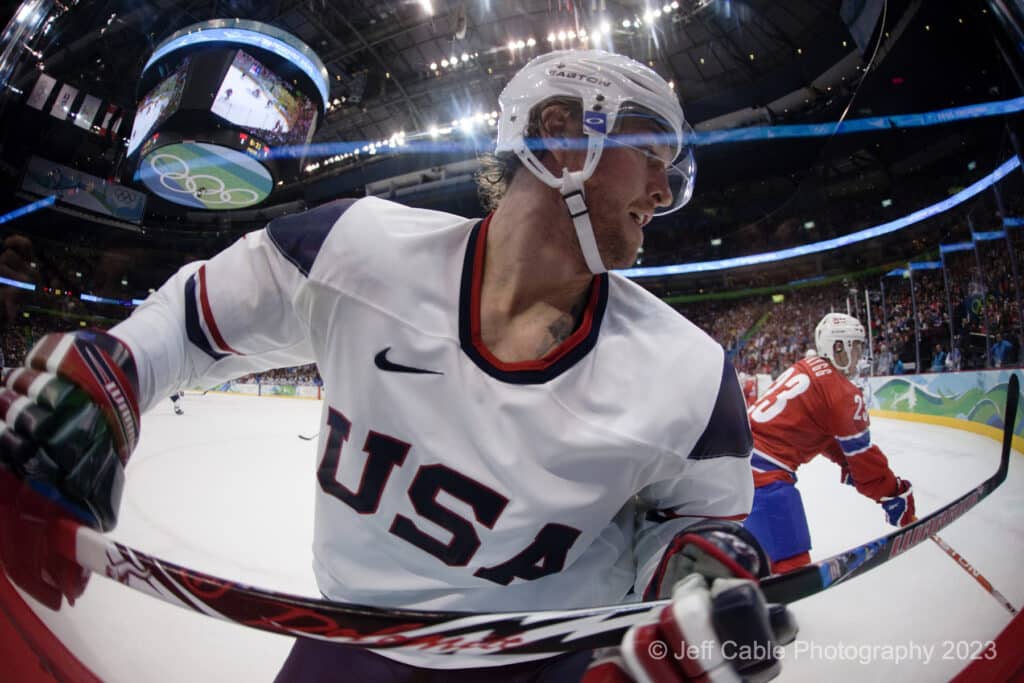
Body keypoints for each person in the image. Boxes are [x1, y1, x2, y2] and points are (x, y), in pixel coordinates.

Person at [0, 49, 793, 682]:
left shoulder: (691, 374)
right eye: (651, 152)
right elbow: (193, 320)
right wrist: (114, 374)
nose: (664, 190)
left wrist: (701, 582)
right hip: (347, 645)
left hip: (550, 664)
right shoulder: (355, 248)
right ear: (561, 135)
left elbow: (692, 527)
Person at [743, 313, 916, 574]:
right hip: (762, 472)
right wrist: (893, 493)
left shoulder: (807, 366)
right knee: (792, 570)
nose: (859, 355)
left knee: (753, 555)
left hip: (738, 457)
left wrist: (844, 461)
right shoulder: (843, 392)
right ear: (838, 348)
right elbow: (866, 461)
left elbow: (820, 428)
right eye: (855, 347)